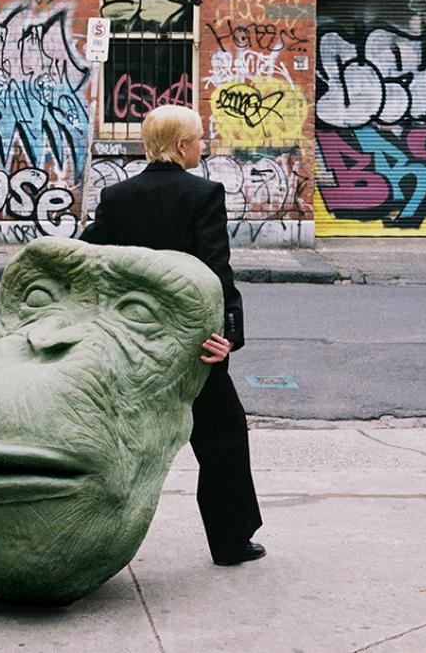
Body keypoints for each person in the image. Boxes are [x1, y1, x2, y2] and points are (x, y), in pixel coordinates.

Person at [80, 105, 264, 566]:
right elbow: (216, 273)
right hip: (192, 345)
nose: (204, 145)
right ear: (182, 146)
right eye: (199, 138)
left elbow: (89, 256)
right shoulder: (203, 194)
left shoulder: (117, 196)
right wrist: (229, 336)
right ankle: (230, 542)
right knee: (222, 438)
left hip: (133, 343)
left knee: (118, 442)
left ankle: (90, 539)